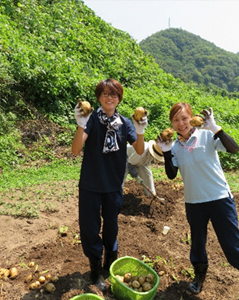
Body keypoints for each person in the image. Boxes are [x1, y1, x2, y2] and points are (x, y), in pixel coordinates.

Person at [156, 102, 239, 300]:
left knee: (232, 243)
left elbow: (234, 149)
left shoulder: (206, 134)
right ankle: (198, 279)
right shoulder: (176, 146)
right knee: (197, 243)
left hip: (219, 198)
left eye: (184, 118)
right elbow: (171, 175)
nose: (181, 123)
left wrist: (216, 128)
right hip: (194, 202)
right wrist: (167, 151)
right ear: (172, 123)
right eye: (176, 120)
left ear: (192, 118)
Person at [71, 78, 147, 292]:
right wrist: (80, 126)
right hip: (90, 185)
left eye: (113, 94)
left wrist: (140, 131)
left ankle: (109, 265)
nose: (109, 97)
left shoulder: (125, 122)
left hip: (113, 184)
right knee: (89, 228)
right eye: (105, 93)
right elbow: (76, 150)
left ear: (119, 98)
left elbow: (140, 151)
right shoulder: (92, 119)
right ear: (98, 97)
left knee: (111, 227)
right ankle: (95, 272)